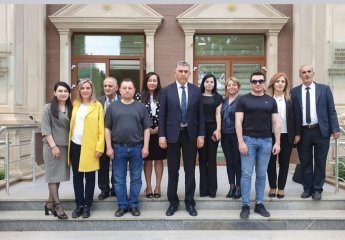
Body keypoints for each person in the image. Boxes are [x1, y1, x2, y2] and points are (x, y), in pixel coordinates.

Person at [159, 61, 205, 217]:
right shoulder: (166, 91)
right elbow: (162, 116)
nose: (183, 74)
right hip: (172, 135)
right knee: (173, 170)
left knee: (190, 170)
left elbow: (201, 115)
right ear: (175, 72)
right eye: (181, 71)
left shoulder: (196, 91)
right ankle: (173, 202)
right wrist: (162, 135)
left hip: (190, 134)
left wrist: (201, 134)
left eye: (186, 71)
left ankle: (190, 202)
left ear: (190, 73)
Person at [291, 64, 340, 200]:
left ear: (313, 73)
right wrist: (295, 133)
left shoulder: (324, 89)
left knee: (320, 161)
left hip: (321, 131)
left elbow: (331, 110)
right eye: (303, 72)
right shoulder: (294, 92)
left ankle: (317, 189)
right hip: (303, 132)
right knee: (305, 161)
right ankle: (307, 188)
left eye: (309, 72)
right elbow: (293, 114)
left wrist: (335, 128)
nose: (306, 74)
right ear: (300, 75)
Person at [235, 71, 280, 219]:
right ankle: (245, 205)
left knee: (261, 174)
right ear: (250, 83)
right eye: (254, 81)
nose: (258, 84)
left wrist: (277, 142)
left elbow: (276, 122)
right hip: (249, 140)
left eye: (260, 81)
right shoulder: (243, 100)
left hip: (266, 141)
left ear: (264, 83)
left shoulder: (271, 101)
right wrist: (241, 141)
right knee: (246, 174)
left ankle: (259, 204)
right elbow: (238, 122)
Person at [105, 78, 151, 217]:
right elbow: (107, 128)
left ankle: (133, 205)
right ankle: (122, 205)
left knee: (136, 178)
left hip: (137, 148)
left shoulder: (141, 107)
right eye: (124, 88)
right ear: (119, 90)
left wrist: (146, 147)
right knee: (119, 178)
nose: (127, 90)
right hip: (118, 148)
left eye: (130, 88)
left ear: (134, 90)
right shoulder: (112, 107)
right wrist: (109, 147)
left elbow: (147, 129)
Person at [68, 79, 104, 218]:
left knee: (89, 177)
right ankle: (79, 205)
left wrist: (100, 147)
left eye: (88, 88)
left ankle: (87, 206)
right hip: (75, 144)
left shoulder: (97, 106)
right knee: (77, 177)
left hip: (90, 146)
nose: (85, 90)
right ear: (79, 90)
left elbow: (101, 128)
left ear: (92, 90)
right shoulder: (75, 104)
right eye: (82, 88)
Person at [41, 82, 72, 220]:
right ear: (54, 93)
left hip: (65, 146)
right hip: (51, 146)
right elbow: (46, 129)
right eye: (60, 91)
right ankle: (58, 205)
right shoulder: (47, 108)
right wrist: (53, 147)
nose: (63, 93)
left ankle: (49, 203)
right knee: (52, 176)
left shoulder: (71, 108)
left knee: (57, 177)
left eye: (66, 91)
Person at [135, 72, 166, 199]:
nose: (152, 83)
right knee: (147, 160)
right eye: (150, 80)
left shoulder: (164, 95)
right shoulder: (139, 96)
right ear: (146, 82)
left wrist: (160, 128)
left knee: (159, 159)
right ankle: (148, 187)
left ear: (158, 82)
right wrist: (146, 129)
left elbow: (167, 113)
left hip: (161, 132)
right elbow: (136, 115)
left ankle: (158, 187)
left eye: (155, 80)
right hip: (144, 133)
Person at [266, 72, 295, 199]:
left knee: (284, 162)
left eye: (283, 81)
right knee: (270, 162)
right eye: (278, 81)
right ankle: (273, 186)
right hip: (270, 134)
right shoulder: (267, 99)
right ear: (273, 83)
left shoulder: (290, 100)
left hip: (287, 135)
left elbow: (296, 118)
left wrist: (297, 134)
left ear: (286, 84)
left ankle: (281, 188)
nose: (280, 84)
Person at [198, 74, 222, 198]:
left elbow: (218, 114)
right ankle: (203, 190)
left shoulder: (218, 97)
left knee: (212, 159)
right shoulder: (198, 96)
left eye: (211, 82)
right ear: (203, 83)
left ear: (214, 84)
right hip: (200, 130)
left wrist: (218, 130)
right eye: (207, 81)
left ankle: (212, 190)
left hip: (213, 129)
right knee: (202, 159)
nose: (209, 84)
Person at [97, 77, 120, 200]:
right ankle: (104, 189)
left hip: (117, 139)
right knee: (102, 165)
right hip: (102, 139)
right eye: (105, 85)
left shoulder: (122, 100)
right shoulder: (97, 101)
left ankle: (116, 188)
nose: (107, 88)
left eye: (110, 86)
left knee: (117, 165)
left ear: (116, 88)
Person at [221, 77, 242, 199]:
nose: (231, 87)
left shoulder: (242, 101)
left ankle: (239, 187)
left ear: (238, 87)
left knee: (237, 161)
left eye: (233, 85)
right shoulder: (224, 101)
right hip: (225, 135)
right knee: (229, 161)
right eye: (229, 85)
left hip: (237, 135)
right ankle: (231, 187)